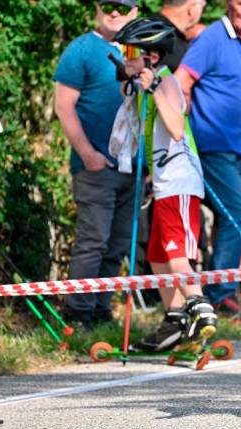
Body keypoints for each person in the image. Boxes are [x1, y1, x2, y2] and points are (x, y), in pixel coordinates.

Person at [111, 18, 218, 351]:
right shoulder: (149, 83)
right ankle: (174, 319)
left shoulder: (168, 84)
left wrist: (154, 88)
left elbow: (173, 127)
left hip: (180, 182)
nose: (126, 56)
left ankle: (200, 307)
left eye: (131, 51)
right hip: (163, 182)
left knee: (175, 254)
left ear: (152, 57)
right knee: (157, 255)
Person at [175, 0, 241, 315]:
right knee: (236, 215)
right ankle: (218, 294)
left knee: (239, 217)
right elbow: (180, 81)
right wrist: (184, 128)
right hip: (214, 144)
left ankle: (221, 289)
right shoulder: (213, 37)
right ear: (229, 4)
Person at [54, 0, 138, 328]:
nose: (114, 12)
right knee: (93, 240)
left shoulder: (139, 51)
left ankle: (102, 311)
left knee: (117, 244)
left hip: (132, 167)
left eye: (122, 6)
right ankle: (78, 314)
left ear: (134, 12)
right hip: (96, 166)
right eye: (107, 5)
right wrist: (87, 153)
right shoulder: (82, 49)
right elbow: (64, 106)